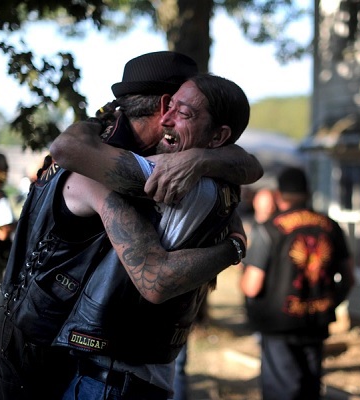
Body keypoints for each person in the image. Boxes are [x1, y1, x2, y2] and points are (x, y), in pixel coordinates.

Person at [0, 52, 260, 400]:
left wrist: (202, 157)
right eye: (179, 105)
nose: (177, 118)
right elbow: (156, 276)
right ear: (165, 104)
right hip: (32, 344)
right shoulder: (112, 165)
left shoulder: (114, 145)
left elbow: (248, 163)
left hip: (53, 340)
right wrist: (234, 246)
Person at [52, 72, 254, 400]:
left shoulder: (170, 178)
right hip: (147, 373)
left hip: (112, 381)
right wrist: (235, 245)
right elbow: (249, 165)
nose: (166, 120)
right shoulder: (225, 186)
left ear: (219, 136)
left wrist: (100, 121)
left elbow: (67, 149)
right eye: (168, 107)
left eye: (184, 114)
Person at [240, 166, 355, 400]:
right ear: (308, 193)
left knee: (282, 392)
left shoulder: (269, 229)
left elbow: (251, 285)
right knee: (310, 389)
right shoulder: (330, 226)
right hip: (316, 321)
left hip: (278, 325)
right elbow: (350, 277)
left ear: (279, 195)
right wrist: (329, 301)